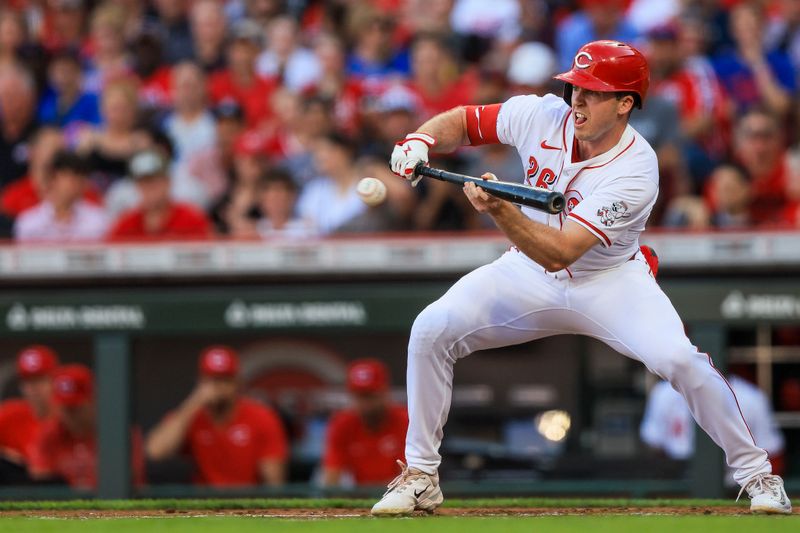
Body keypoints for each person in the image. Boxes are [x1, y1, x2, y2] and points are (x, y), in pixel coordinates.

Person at [370, 40, 791, 516]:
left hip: (607, 280)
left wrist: (499, 212)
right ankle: (421, 475)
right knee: (431, 328)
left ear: (625, 103)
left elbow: (562, 252)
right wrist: (421, 139)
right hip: (524, 272)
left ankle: (758, 475)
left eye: (593, 92)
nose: (578, 99)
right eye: (575, 87)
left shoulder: (637, 167)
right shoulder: (540, 114)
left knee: (682, 361)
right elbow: (466, 122)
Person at [145, 346, 289, 486]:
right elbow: (155, 452)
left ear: (237, 382)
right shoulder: (192, 414)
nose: (217, 386)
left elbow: (274, 482)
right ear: (200, 381)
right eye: (211, 380)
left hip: (247, 502)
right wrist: (194, 401)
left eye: (224, 379)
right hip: (204, 504)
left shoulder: (261, 416)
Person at [641, 375, 786, 477]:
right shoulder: (664, 392)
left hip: (736, 482)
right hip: (679, 477)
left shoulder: (751, 396)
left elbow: (772, 454)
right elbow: (655, 447)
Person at [28, 364, 146, 489]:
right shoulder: (50, 434)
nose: (69, 415)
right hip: (66, 507)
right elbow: (40, 482)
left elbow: (133, 482)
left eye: (75, 408)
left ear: (94, 401)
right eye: (64, 408)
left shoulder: (118, 433)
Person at [321, 359, 408, 487]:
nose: (366, 404)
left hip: (401, 496)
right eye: (360, 396)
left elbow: (409, 477)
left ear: (385, 393)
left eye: (371, 395)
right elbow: (331, 476)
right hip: (360, 496)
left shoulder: (405, 420)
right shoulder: (342, 423)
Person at [108, 149, 211, 241]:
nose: (149, 187)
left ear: (168, 182)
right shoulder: (125, 225)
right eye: (143, 181)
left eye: (154, 180)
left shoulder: (191, 220)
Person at [14, 149, 109, 242]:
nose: (77, 184)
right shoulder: (29, 223)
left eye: (81, 179)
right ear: (53, 179)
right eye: (72, 178)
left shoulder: (97, 220)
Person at [0, 346, 58, 478]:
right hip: (20, 488)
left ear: (54, 380)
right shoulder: (10, 413)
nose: (34, 389)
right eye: (28, 382)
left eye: (39, 380)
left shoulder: (70, 416)